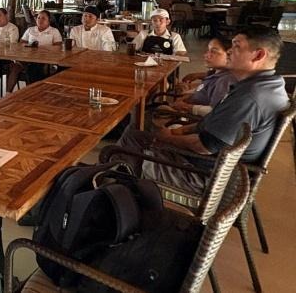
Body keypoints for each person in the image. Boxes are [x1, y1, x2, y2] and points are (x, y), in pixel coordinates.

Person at [114, 25, 289, 192]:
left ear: (258, 55)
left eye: (237, 46)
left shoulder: (250, 97)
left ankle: (121, 191)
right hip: (215, 165)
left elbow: (204, 146)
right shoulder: (269, 86)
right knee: (137, 135)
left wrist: (168, 138)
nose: (229, 51)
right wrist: (180, 131)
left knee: (129, 142)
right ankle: (124, 186)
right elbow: (212, 124)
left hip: (205, 176)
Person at [160, 36, 236, 116]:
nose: (206, 55)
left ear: (229, 56)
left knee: (159, 109)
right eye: (208, 51)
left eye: (213, 52)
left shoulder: (224, 81)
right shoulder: (216, 73)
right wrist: (188, 93)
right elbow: (204, 89)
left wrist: (186, 107)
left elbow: (216, 111)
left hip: (191, 117)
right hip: (187, 107)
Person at [6, 10, 62, 92]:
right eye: (38, 18)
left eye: (43, 18)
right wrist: (29, 46)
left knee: (35, 68)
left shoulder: (54, 31)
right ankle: (8, 94)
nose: (40, 20)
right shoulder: (30, 30)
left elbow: (58, 47)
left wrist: (42, 48)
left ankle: (34, 92)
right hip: (27, 57)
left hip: (45, 59)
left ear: (49, 20)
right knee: (15, 67)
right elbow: (21, 44)